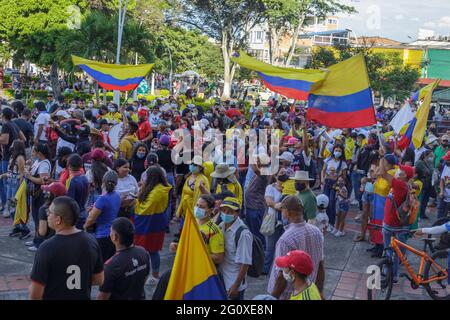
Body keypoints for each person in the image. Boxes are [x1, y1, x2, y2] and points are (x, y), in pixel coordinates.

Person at [29, 196, 104, 300]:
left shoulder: (46, 248)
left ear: (58, 219)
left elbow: (35, 294)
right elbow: (99, 279)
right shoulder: (91, 241)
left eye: (50, 212)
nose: (47, 215)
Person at [268, 196, 325, 300]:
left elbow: (281, 276)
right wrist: (319, 291)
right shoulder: (317, 232)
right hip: (308, 287)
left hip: (288, 295)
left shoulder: (285, 240)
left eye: (282, 209)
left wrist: (272, 298)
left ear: (287, 213)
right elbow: (320, 265)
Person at [379, 150, 415, 282]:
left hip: (392, 224)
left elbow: (383, 173)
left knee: (391, 252)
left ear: (405, 176)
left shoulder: (400, 185)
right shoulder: (404, 184)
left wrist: (383, 158)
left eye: (402, 171)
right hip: (395, 223)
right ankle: (389, 273)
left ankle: (390, 275)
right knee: (394, 252)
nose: (398, 172)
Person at [135, 166, 172, 284]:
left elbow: (144, 208)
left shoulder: (158, 191)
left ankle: (155, 275)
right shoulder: (158, 188)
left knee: (152, 250)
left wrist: (135, 202)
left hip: (151, 223)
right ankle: (148, 274)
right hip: (156, 222)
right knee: (150, 250)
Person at [97, 217, 150, 300]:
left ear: (114, 237)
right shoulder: (143, 252)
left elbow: (102, 297)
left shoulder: (110, 266)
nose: (109, 234)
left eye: (111, 231)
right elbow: (144, 280)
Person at [218, 197, 252, 300]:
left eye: (230, 211)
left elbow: (245, 263)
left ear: (237, 213)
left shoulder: (243, 234)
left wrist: (235, 286)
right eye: (223, 210)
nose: (226, 214)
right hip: (221, 280)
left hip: (233, 285)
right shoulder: (221, 226)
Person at [84, 171, 121, 262]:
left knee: (101, 264)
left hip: (102, 236)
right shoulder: (117, 195)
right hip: (113, 233)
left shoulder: (102, 199)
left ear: (103, 182)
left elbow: (91, 219)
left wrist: (84, 227)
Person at [24, 144, 52, 251]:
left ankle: (39, 243)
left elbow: (42, 180)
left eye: (33, 152)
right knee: (35, 216)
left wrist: (29, 177)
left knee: (39, 217)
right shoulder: (37, 162)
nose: (32, 154)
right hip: (34, 193)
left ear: (39, 153)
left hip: (40, 194)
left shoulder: (44, 163)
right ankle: (36, 239)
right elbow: (30, 173)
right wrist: (28, 167)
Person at [244, 153, 270, 249]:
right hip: (252, 206)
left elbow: (255, 169)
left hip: (255, 207)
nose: (257, 162)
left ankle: (261, 251)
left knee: (257, 233)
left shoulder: (265, 172)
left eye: (259, 160)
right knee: (253, 231)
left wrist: (250, 154)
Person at [263, 171, 285, 275]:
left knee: (283, 248)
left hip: (286, 223)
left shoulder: (290, 187)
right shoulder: (270, 188)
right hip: (274, 222)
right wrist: (279, 206)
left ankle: (281, 269)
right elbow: (269, 202)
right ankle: (265, 269)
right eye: (281, 173)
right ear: (275, 176)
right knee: (270, 248)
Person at [176, 155, 210, 225]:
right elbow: (183, 194)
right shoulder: (189, 177)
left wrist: (202, 188)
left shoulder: (203, 179)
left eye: (194, 164)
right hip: (184, 210)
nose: (192, 166)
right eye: (191, 164)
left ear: (200, 168)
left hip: (194, 211)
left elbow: (208, 196)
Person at [321, 144, 347, 233]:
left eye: (339, 151)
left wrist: (339, 180)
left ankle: (331, 223)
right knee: (325, 203)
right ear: (333, 151)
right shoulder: (328, 159)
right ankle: (325, 222)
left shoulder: (343, 163)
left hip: (335, 185)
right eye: (336, 150)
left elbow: (344, 176)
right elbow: (323, 170)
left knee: (332, 203)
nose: (337, 152)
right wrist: (322, 179)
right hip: (327, 183)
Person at [7, 140, 30, 237]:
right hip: (10, 183)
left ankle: (25, 229)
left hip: (16, 184)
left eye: (13, 144)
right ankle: (17, 227)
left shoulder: (20, 158)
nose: (11, 145)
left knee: (16, 207)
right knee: (11, 206)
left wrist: (21, 189)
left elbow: (21, 174)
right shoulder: (13, 156)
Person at [66, 154, 89, 229]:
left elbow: (69, 201)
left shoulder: (71, 180)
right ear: (81, 165)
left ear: (69, 166)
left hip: (75, 215)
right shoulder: (84, 178)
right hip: (83, 211)